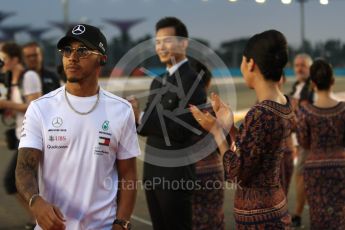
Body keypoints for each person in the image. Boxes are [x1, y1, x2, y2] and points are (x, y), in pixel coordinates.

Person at [15, 24, 140, 230]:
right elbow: (24, 167)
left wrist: (121, 222)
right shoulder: (40, 108)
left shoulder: (121, 110)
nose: (72, 57)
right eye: (67, 50)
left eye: (82, 51)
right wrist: (36, 202)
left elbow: (128, 174)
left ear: (102, 58)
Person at [190, 30, 294, 229]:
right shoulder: (284, 103)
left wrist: (216, 131)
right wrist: (229, 128)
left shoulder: (260, 112)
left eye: (243, 61)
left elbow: (235, 171)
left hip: (259, 216)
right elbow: (255, 148)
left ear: (251, 64)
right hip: (274, 205)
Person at [129, 17, 207, 230]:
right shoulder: (158, 80)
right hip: (153, 172)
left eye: (167, 40)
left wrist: (142, 116)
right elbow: (147, 127)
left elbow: (183, 129)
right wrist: (134, 117)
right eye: (157, 42)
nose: (161, 46)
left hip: (176, 176)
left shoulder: (193, 80)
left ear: (184, 43)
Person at [296, 59, 345, 229]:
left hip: (314, 169)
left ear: (313, 84)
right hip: (340, 168)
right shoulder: (344, 109)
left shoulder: (305, 113)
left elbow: (303, 142)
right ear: (332, 81)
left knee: (318, 217)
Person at [0, 42, 42, 229]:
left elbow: (35, 105)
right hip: (21, 136)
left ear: (14, 59)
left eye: (3, 59)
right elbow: (18, 107)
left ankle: (40, 219)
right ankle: (38, 219)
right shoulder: (13, 79)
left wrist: (7, 104)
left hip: (32, 138)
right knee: (23, 183)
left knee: (12, 181)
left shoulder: (29, 76)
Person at [289, 53, 313, 227]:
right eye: (297, 65)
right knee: (299, 177)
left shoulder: (313, 88)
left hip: (309, 141)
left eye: (303, 65)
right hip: (298, 139)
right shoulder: (296, 86)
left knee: (301, 176)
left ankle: (297, 213)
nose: (299, 68)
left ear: (310, 68)